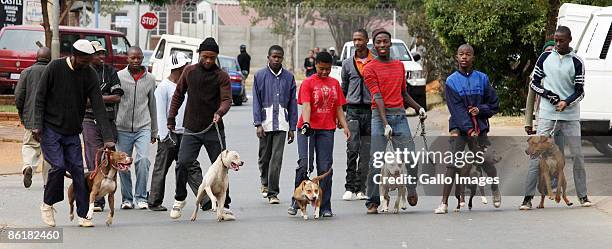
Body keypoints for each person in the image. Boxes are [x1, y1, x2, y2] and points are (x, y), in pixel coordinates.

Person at [34, 39, 115, 227]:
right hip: (50, 128)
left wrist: (108, 138)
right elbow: (40, 97)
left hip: (71, 131)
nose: (87, 64)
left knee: (79, 171)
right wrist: (37, 125)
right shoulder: (55, 67)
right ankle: (47, 204)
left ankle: (83, 214)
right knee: (59, 167)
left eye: (89, 60)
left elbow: (99, 107)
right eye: (84, 60)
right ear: (75, 56)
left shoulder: (89, 74)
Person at [520, 26, 591, 210]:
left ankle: (583, 196)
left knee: (577, 155)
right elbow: (534, 84)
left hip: (570, 116)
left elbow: (580, 91)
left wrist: (566, 102)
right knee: (536, 154)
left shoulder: (577, 62)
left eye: (561, 41)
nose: (557, 44)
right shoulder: (545, 58)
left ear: (569, 40)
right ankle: (527, 198)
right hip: (547, 115)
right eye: (556, 40)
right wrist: (549, 95)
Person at [167, 37, 235, 220]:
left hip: (214, 129)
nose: (208, 61)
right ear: (199, 55)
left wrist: (220, 112)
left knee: (222, 168)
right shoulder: (189, 72)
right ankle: (179, 199)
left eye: (212, 58)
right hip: (192, 129)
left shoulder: (222, 76)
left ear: (216, 57)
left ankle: (224, 204)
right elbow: (178, 95)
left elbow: (227, 99)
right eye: (205, 56)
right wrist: (171, 117)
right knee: (182, 162)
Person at [363, 28, 426, 214]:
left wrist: (418, 108)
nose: (382, 45)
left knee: (411, 158)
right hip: (379, 117)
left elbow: (404, 93)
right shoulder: (370, 69)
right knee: (376, 161)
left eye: (385, 41)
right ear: (373, 45)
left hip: (400, 116)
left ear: (390, 43)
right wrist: (385, 124)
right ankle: (373, 201)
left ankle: (411, 188)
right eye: (378, 42)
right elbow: (378, 96)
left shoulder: (399, 65)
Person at [433, 44, 501, 214]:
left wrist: (481, 110)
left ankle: (495, 188)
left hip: (480, 127)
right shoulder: (451, 81)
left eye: (468, 54)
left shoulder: (483, 79)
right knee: (452, 164)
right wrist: (470, 130)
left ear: (473, 58)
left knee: (486, 161)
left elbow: (494, 104)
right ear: (456, 57)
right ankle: (444, 203)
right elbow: (456, 110)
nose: (464, 57)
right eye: (461, 54)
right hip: (460, 127)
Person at [287, 51, 350, 218]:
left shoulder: (334, 84)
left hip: (326, 129)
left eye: (327, 69)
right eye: (321, 68)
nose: (324, 72)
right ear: (316, 65)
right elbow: (306, 106)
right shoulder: (308, 83)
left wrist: (345, 126)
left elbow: (338, 108)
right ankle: (297, 200)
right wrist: (306, 123)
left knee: (325, 168)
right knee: (305, 164)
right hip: (307, 129)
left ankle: (325, 206)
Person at [147, 52, 201, 211]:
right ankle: (154, 200)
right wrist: (164, 136)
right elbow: (160, 114)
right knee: (161, 168)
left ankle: (204, 199)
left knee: (191, 166)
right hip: (169, 135)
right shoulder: (164, 87)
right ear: (178, 68)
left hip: (186, 133)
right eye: (186, 66)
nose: (189, 68)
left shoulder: (187, 85)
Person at [252, 45, 298, 204]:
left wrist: (292, 127)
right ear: (268, 57)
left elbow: (293, 103)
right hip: (265, 122)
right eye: (274, 57)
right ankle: (264, 182)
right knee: (264, 157)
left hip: (282, 124)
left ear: (282, 58)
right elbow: (256, 102)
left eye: (279, 57)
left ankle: (273, 193)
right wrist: (258, 123)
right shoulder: (259, 76)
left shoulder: (289, 77)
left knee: (276, 158)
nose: (276, 60)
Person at [82, 41, 123, 212]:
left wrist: (95, 99)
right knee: (94, 158)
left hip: (108, 121)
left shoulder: (110, 71)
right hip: (89, 120)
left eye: (102, 53)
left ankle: (107, 193)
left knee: (110, 158)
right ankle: (96, 199)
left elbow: (117, 96)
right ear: (90, 56)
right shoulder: (83, 73)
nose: (100, 57)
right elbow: (82, 101)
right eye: (97, 53)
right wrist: (102, 97)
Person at [115, 46, 158, 210]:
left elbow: (153, 105)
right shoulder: (118, 76)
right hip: (122, 128)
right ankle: (127, 198)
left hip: (143, 127)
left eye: (139, 58)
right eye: (133, 58)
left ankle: (141, 197)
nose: (136, 61)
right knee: (123, 164)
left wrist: (154, 130)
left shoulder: (150, 79)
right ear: (127, 58)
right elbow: (115, 104)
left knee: (143, 160)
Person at [340, 28, 373, 201]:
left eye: (360, 39)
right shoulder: (347, 63)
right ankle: (349, 186)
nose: (357, 42)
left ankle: (361, 187)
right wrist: (341, 114)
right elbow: (343, 88)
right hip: (352, 110)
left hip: (370, 110)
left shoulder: (374, 62)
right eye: (355, 39)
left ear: (367, 40)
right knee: (352, 148)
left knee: (366, 150)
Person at [15, 47, 51, 189]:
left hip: (31, 118)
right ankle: (47, 182)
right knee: (49, 150)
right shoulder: (53, 73)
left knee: (30, 145)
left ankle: (28, 166)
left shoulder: (26, 72)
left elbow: (19, 97)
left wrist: (22, 115)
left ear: (36, 57)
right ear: (49, 59)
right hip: (51, 120)